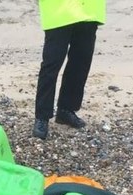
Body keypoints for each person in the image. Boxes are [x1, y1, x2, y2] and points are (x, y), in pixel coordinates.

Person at [32, 0, 106, 140]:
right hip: (58, 10)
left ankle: (66, 110)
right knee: (52, 63)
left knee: (81, 61)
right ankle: (42, 117)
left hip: (88, 10)